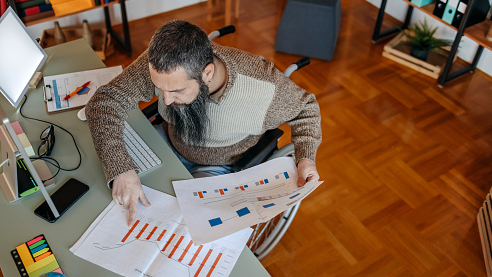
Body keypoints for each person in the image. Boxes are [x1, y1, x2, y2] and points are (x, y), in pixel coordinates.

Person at [86, 20, 322, 226]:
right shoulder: (163, 61)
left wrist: (306, 157)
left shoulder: (262, 87)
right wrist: (122, 170)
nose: (166, 99)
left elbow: (306, 108)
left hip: (218, 166)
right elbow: (105, 101)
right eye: (160, 88)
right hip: (169, 141)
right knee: (108, 193)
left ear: (207, 73)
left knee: (187, 227)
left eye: (177, 90)